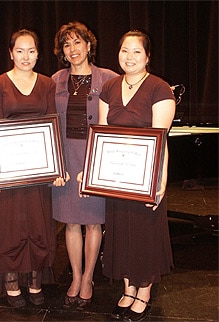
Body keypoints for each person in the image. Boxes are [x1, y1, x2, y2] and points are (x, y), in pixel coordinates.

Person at [98, 30, 175, 321]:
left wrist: (161, 183)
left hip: (145, 178)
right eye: (124, 51)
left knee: (145, 234)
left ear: (147, 56)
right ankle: (128, 288)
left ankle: (144, 291)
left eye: (136, 52)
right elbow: (103, 136)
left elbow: (161, 141)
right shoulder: (109, 87)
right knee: (121, 234)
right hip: (117, 176)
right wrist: (98, 173)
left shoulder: (159, 89)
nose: (129, 57)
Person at [0, 29, 58, 308]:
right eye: (20, 51)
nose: (26, 57)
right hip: (8, 169)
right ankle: (12, 283)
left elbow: (51, 124)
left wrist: (56, 168)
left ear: (38, 53)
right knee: (9, 228)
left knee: (38, 226)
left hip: (38, 168)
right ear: (11, 53)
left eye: (31, 51)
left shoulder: (48, 84)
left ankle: (35, 282)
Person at [51, 21, 118, 310]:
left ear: (89, 45)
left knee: (93, 222)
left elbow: (115, 125)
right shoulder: (54, 80)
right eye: (67, 44)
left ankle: (89, 278)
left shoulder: (110, 79)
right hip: (66, 160)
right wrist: (56, 164)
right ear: (62, 52)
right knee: (70, 222)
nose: (73, 49)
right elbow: (49, 124)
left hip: (95, 159)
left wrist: (97, 164)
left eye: (78, 42)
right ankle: (75, 278)